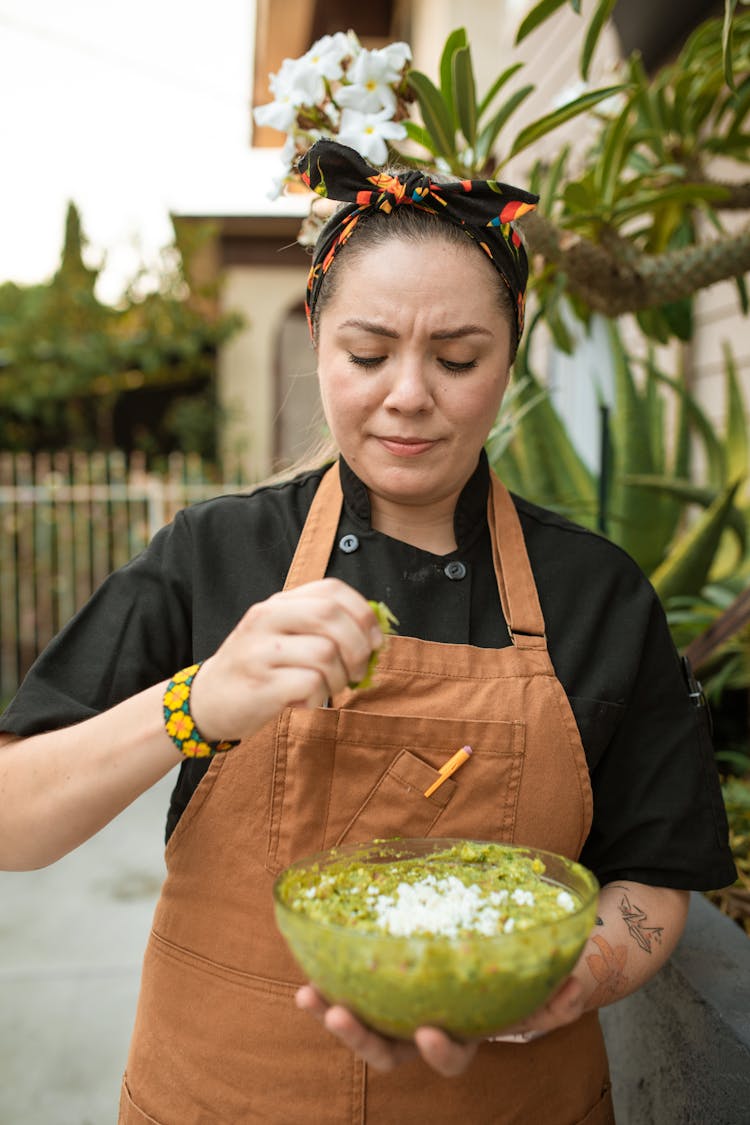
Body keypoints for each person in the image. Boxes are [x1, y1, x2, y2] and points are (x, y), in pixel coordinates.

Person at [0, 138, 735, 1125]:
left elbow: (656, 875)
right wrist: (195, 702)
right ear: (316, 336)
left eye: (458, 358)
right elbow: (15, 823)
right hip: (219, 1098)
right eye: (368, 352)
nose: (408, 395)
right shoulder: (213, 555)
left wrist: (571, 977)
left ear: (512, 352)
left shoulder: (594, 594)